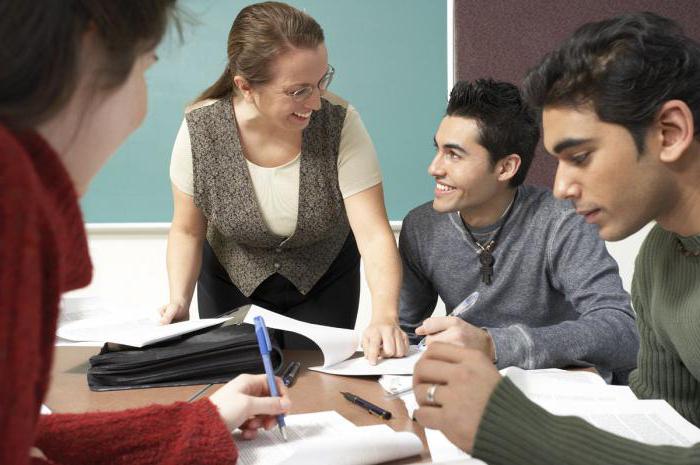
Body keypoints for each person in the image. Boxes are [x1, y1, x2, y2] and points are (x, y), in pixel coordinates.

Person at [0, 2, 292, 464]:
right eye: (146, 67)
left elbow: (19, 438)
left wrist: (204, 420)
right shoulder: (10, 194)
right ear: (87, 50)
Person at [412, 12, 700, 465]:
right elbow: (669, 420)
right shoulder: (661, 254)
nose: (562, 186)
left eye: (580, 156)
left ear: (670, 133)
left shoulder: (561, 223)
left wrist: (507, 426)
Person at [159, 1, 407, 363]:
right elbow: (186, 231)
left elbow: (372, 233)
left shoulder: (341, 124)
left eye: (321, 81)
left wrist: (385, 315)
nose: (317, 102)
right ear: (245, 86)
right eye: (298, 90)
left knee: (317, 383)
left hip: (323, 280)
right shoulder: (201, 131)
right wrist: (179, 300)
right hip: (232, 279)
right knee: (240, 384)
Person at [399, 78, 638, 380]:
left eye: (454, 155)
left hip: (560, 392)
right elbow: (405, 334)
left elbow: (622, 331)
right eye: (438, 149)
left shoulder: (561, 220)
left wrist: (493, 344)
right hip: (471, 386)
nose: (434, 168)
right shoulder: (421, 226)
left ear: (505, 168)